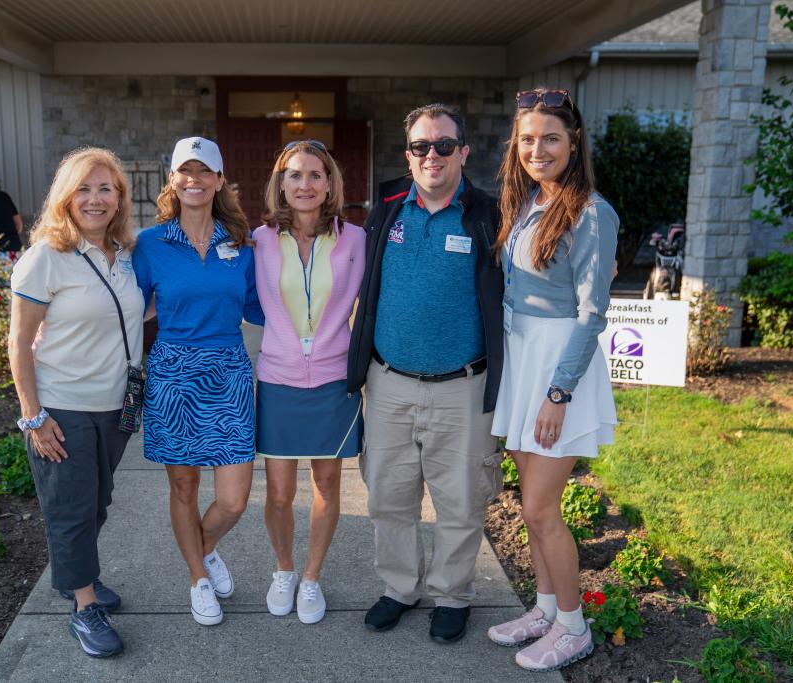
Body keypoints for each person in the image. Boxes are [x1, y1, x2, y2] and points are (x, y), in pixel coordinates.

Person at [346, 103, 505, 643]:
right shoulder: (386, 210)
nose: (431, 155)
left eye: (443, 145)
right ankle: (399, 588)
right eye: (421, 146)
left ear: (464, 152)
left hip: (464, 387)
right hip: (388, 383)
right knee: (388, 496)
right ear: (407, 154)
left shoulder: (488, 216)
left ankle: (452, 595)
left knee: (460, 501)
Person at [485, 88, 618, 672]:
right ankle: (544, 611)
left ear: (574, 142)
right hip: (522, 359)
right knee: (529, 504)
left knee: (542, 509)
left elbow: (591, 314)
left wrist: (559, 393)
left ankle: (573, 626)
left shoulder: (591, 213)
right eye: (528, 139)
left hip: (559, 367)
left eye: (551, 139)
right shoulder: (527, 203)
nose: (537, 150)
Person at [9, 147, 143, 658]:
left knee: (98, 502)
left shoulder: (124, 254)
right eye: (83, 189)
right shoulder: (46, 257)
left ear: (120, 199)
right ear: (65, 197)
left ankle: (77, 575)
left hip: (116, 405)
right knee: (72, 508)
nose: (95, 199)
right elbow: (18, 342)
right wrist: (33, 416)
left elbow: (133, 312)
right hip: (62, 406)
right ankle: (84, 606)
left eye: (106, 188)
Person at [132, 137, 264, 627]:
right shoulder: (150, 244)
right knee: (184, 488)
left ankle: (202, 550)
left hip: (229, 372)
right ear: (172, 180)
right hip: (174, 375)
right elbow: (128, 309)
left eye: (204, 171)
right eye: (185, 171)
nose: (194, 179)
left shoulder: (241, 243)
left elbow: (261, 307)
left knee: (233, 499)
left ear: (219, 180)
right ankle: (197, 578)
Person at [253, 141, 366, 624]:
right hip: (278, 378)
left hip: (333, 380)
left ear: (329, 183)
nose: (305, 185)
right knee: (279, 493)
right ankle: (284, 570)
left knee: (326, 483)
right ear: (281, 184)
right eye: (295, 175)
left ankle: (312, 576)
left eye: (315, 175)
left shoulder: (356, 239)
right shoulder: (258, 240)